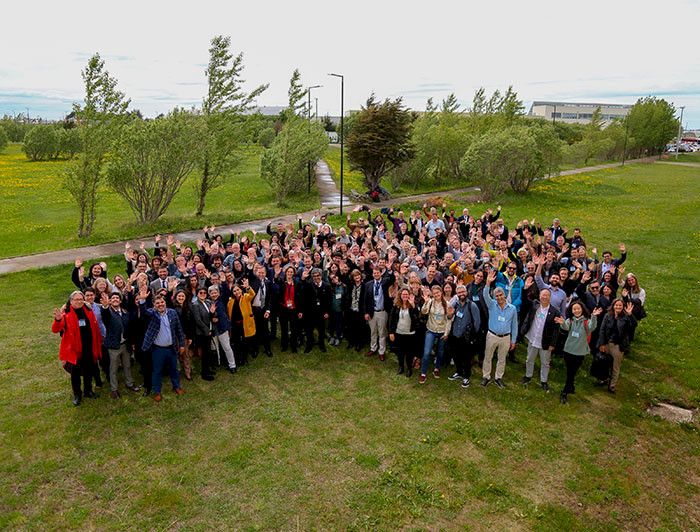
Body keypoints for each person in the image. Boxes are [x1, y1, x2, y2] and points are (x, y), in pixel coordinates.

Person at [52, 291, 103, 406]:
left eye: (81, 299)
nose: (79, 301)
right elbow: (55, 330)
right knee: (75, 374)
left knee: (88, 371)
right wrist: (58, 320)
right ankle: (77, 394)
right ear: (71, 301)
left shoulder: (88, 311)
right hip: (75, 350)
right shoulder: (66, 314)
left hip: (89, 347)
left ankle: (88, 391)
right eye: (76, 299)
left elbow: (94, 327)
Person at [140, 292, 186, 402]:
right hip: (158, 349)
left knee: (174, 369)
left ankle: (176, 387)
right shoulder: (153, 314)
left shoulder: (172, 313)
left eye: (162, 302)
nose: (160, 304)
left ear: (165, 303)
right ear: (154, 305)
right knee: (157, 371)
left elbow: (178, 329)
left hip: (171, 348)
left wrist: (182, 344)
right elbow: (143, 313)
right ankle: (157, 391)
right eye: (157, 303)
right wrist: (142, 300)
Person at [555, 299, 602, 403]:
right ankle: (570, 387)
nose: (576, 311)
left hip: (580, 352)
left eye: (578, 309)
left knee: (572, 372)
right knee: (570, 371)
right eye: (574, 309)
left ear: (582, 309)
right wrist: (562, 323)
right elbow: (566, 327)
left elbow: (592, 327)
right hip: (568, 350)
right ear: (572, 311)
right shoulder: (570, 320)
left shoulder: (587, 322)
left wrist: (594, 316)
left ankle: (565, 392)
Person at [481, 269, 518, 388]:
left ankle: (498, 377)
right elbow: (485, 295)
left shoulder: (512, 309)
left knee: (502, 359)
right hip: (492, 335)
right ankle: (486, 376)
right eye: (497, 296)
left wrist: (513, 340)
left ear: (505, 295)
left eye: (501, 295)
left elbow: (514, 325)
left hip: (505, 337)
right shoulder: (492, 305)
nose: (499, 297)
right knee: (488, 357)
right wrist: (488, 282)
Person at [99, 292, 140, 398]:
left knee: (127, 366)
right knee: (113, 369)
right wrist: (104, 306)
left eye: (117, 298)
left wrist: (132, 343)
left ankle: (129, 383)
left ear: (120, 301)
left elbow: (130, 328)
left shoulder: (125, 312)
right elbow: (105, 316)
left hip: (125, 345)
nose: (115, 299)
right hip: (114, 346)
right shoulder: (108, 313)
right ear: (110, 301)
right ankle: (114, 389)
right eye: (113, 298)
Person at [519, 288, 561, 391]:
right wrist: (525, 289)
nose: (545, 297)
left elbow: (556, 330)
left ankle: (544, 381)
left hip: (546, 342)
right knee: (529, 359)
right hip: (533, 338)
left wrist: (553, 344)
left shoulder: (555, 311)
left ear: (550, 297)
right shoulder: (534, 306)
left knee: (545, 363)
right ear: (539, 296)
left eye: (547, 295)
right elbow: (524, 300)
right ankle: (528, 376)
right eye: (543, 295)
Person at [597, 298, 637, 394]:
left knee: (615, 367)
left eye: (620, 305)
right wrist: (601, 343)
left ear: (623, 307)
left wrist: (630, 315)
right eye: (616, 305)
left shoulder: (626, 317)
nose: (618, 307)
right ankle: (603, 379)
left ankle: (612, 386)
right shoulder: (608, 316)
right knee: (604, 363)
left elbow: (633, 325)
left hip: (618, 346)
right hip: (607, 343)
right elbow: (602, 330)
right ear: (613, 306)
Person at [447, 284, 481, 388]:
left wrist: (472, 336)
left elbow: (477, 323)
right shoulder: (455, 304)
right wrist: (449, 314)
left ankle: (466, 377)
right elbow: (449, 317)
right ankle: (459, 372)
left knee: (466, 358)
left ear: (466, 293)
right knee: (456, 356)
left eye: (463, 292)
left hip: (466, 338)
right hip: (455, 335)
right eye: (459, 292)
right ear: (457, 294)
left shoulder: (472, 306)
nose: (461, 294)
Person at [418, 285, 454, 384]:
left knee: (440, 351)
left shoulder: (447, 304)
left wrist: (446, 333)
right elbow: (423, 311)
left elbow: (449, 320)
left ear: (441, 293)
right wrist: (425, 302)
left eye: (438, 293)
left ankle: (436, 368)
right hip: (431, 330)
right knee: (426, 352)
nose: (436, 295)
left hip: (442, 331)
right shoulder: (430, 302)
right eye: (434, 293)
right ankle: (423, 374)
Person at [363, 265, 395, 361]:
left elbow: (392, 279)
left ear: (381, 273)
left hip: (382, 312)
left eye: (378, 273)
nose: (376, 274)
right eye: (374, 273)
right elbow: (365, 300)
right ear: (372, 274)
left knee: (382, 332)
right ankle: (373, 348)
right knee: (373, 332)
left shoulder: (385, 282)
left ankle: (382, 351)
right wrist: (366, 312)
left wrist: (389, 269)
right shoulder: (368, 284)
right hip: (372, 312)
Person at [388, 288, 420, 376]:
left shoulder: (413, 305)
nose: (405, 296)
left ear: (409, 295)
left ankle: (409, 368)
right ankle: (401, 366)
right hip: (399, 332)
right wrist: (391, 332)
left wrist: (413, 305)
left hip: (410, 333)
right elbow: (391, 319)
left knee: (409, 352)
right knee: (400, 352)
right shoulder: (396, 305)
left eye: (406, 294)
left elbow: (417, 315)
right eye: (403, 294)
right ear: (400, 295)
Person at [227, 278, 256, 366]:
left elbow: (252, 294)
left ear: (241, 290)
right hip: (235, 325)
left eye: (238, 290)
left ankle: (244, 358)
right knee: (236, 342)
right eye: (234, 291)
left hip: (244, 324)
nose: (237, 292)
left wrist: (248, 287)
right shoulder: (230, 301)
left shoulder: (246, 297)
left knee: (244, 342)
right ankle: (238, 358)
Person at [190, 287, 216, 381]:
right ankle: (205, 373)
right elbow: (198, 320)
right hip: (202, 333)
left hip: (209, 329)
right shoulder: (195, 304)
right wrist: (206, 331)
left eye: (204, 292)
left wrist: (212, 313)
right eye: (200, 292)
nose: (203, 294)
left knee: (209, 352)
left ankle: (208, 369)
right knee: (205, 353)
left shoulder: (208, 302)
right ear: (197, 294)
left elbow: (210, 316)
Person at [209, 285, 236, 374]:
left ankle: (232, 365)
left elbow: (227, 292)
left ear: (218, 293)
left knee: (227, 347)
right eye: (212, 293)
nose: (214, 295)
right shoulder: (208, 302)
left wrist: (224, 282)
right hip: (212, 329)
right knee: (214, 348)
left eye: (215, 293)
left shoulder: (222, 300)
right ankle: (218, 362)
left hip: (222, 328)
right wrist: (211, 316)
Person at [303, 268, 331, 353]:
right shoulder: (309, 285)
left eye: (318, 275)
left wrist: (327, 312)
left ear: (321, 276)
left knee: (322, 330)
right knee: (309, 330)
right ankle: (309, 346)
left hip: (322, 312)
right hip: (310, 312)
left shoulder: (327, 286)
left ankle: (322, 345)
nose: (316, 277)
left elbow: (329, 300)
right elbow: (305, 299)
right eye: (314, 276)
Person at [251, 264, 274, 357]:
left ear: (265, 273)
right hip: (254, 310)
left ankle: (267, 349)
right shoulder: (253, 281)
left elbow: (269, 298)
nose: (261, 274)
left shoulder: (267, 283)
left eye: (263, 273)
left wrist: (268, 310)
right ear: (256, 273)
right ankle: (255, 349)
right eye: (259, 272)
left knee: (265, 330)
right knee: (255, 331)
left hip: (264, 309)